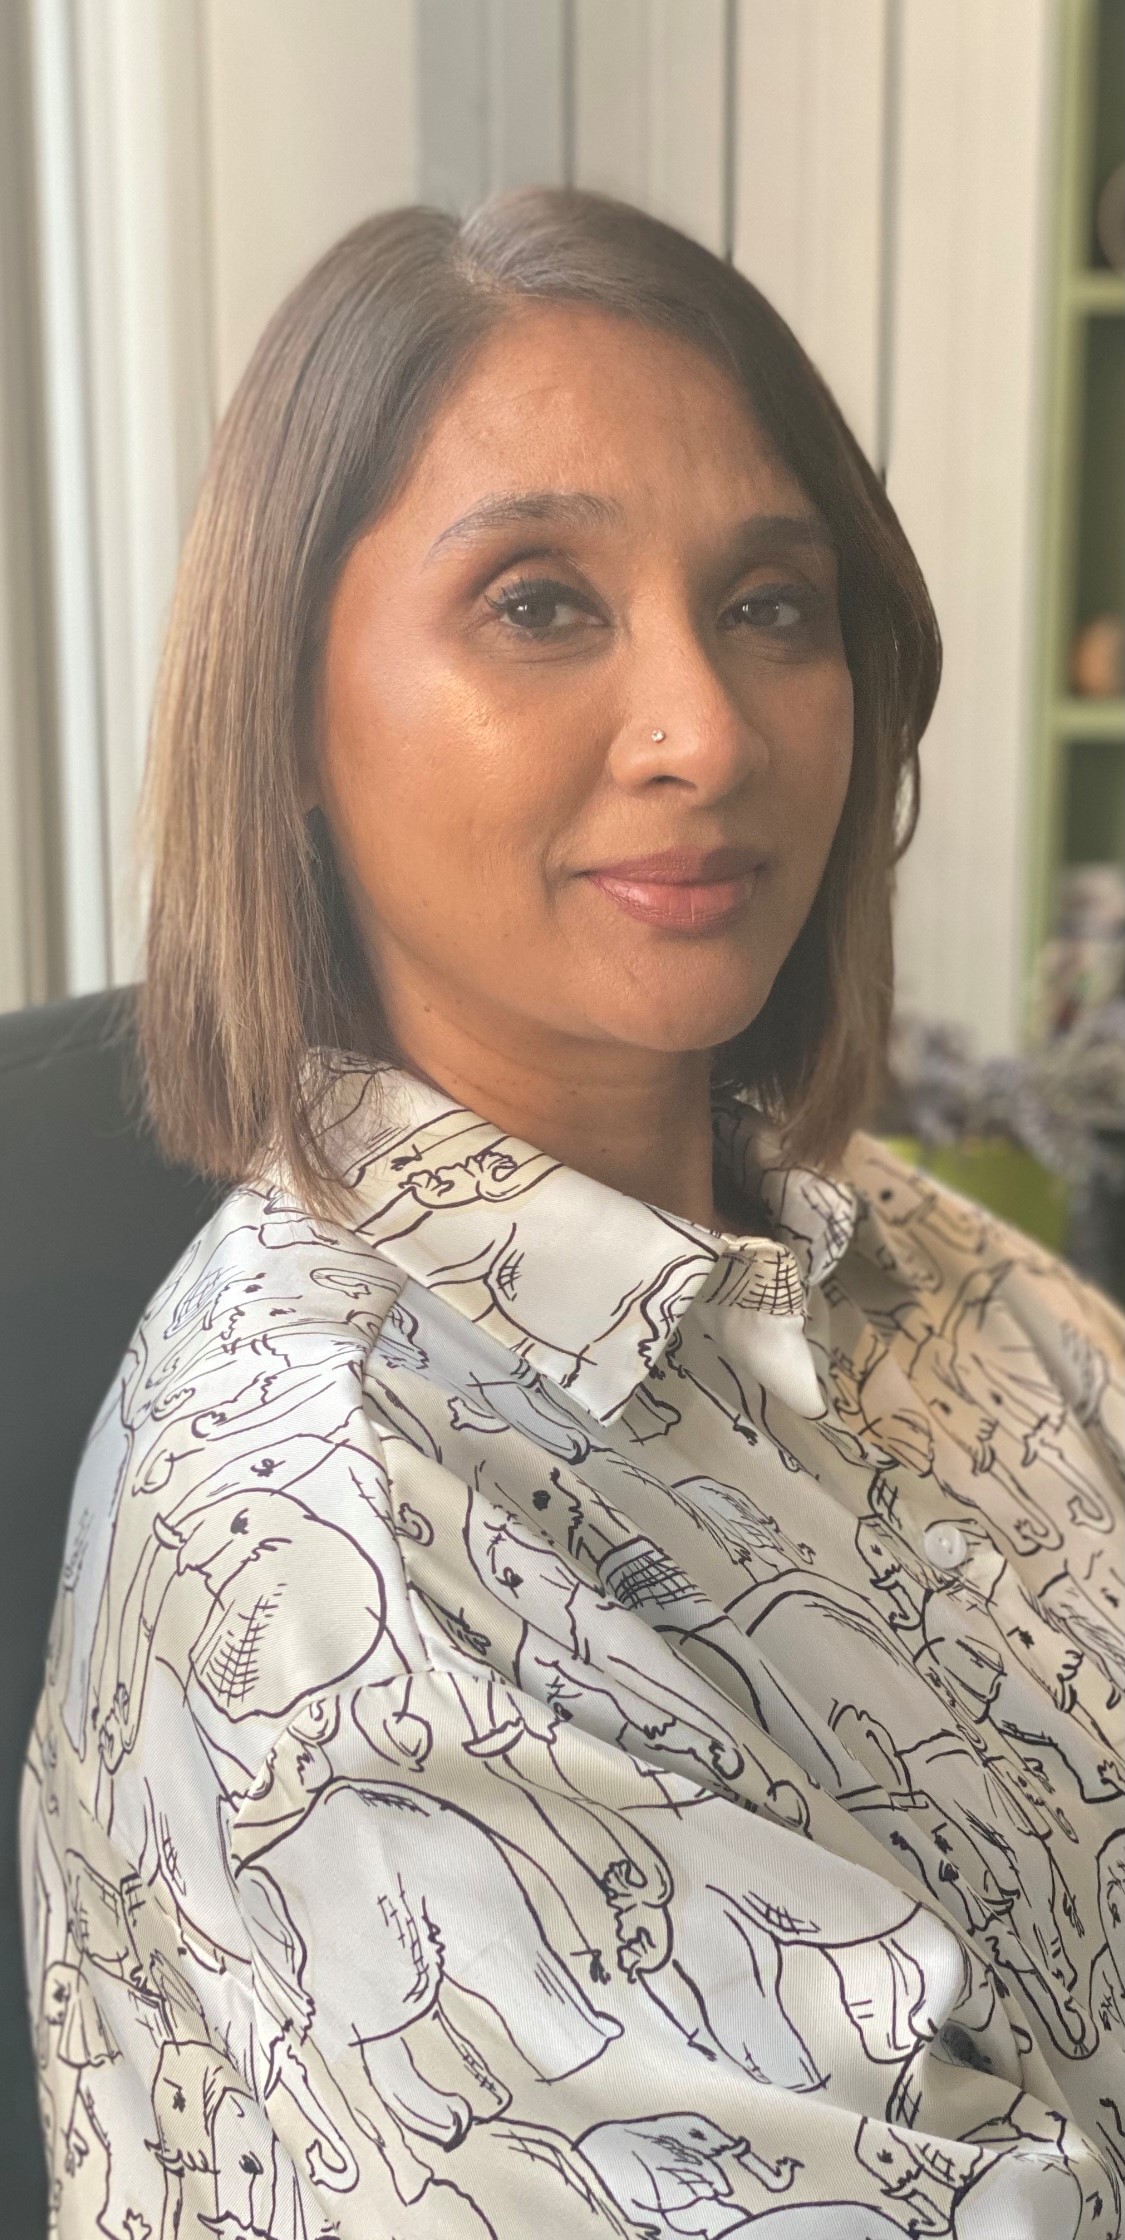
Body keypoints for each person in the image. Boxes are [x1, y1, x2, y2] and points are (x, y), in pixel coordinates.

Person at [20, 187, 1125, 2240]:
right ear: (289, 716)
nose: (705, 731)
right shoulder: (334, 1545)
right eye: (537, 603)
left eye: (771, 606)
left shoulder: (911, 1261)